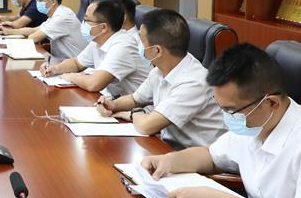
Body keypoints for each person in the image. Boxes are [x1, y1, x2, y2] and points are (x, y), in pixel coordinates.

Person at [141, 44, 301, 198]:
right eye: (222, 108)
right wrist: (169, 161)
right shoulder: (255, 122)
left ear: (271, 103)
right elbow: (211, 156)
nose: (228, 117)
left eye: (232, 110)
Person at [95, 9, 225, 148]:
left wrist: (134, 113)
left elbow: (146, 126)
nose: (137, 44)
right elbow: (135, 99)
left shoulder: (193, 82)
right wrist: (112, 105)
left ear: (156, 50)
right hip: (168, 147)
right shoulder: (159, 71)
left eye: (141, 41)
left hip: (198, 156)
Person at [42, 0, 147, 96]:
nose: (83, 24)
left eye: (87, 20)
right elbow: (77, 63)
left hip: (138, 107)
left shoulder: (123, 46)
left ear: (103, 27)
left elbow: (93, 84)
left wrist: (71, 77)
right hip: (115, 100)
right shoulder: (97, 40)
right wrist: (55, 68)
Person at [0, 0, 87, 59]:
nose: (37, 2)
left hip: (75, 66)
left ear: (52, 2)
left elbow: (33, 37)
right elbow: (34, 30)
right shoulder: (55, 15)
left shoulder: (62, 17)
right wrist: (8, 31)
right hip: (61, 62)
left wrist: (10, 43)